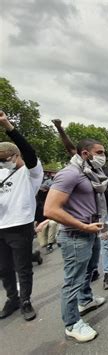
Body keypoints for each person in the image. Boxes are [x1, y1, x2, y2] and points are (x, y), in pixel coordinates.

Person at [44, 138, 108, 342]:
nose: (103, 156)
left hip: (90, 230)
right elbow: (50, 209)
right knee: (73, 281)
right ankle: (71, 323)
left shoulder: (88, 173)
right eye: (99, 152)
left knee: (89, 271)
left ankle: (86, 300)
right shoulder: (69, 173)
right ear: (85, 154)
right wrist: (82, 226)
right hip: (76, 233)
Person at [0, 111, 43, 321]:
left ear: (17, 156)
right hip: (1, 227)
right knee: (4, 268)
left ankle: (26, 300)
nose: (3, 162)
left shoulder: (31, 172)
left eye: (6, 158)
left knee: (23, 267)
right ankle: (12, 298)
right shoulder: (1, 171)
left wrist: (8, 125)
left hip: (20, 225)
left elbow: (28, 150)